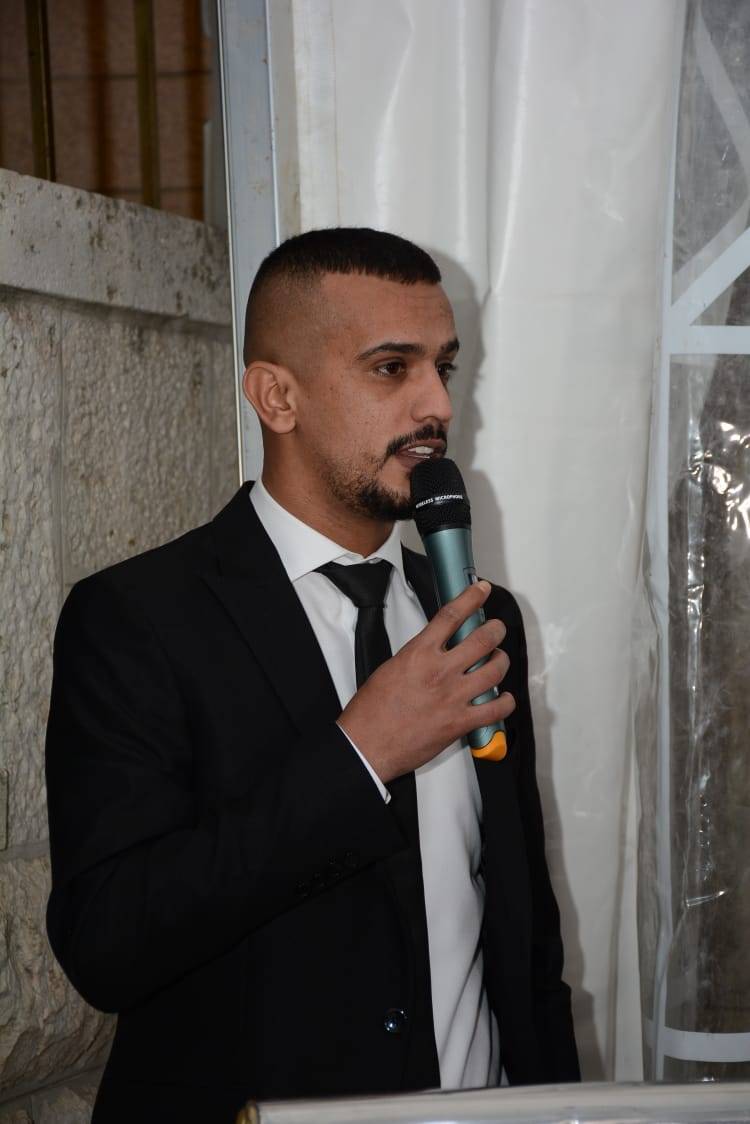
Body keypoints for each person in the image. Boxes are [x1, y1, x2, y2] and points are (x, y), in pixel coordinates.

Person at [45, 228, 579, 1124]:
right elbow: (107, 944)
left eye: (444, 367)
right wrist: (360, 753)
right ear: (277, 396)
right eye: (391, 368)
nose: (437, 404)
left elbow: (525, 939)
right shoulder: (138, 620)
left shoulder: (479, 618)